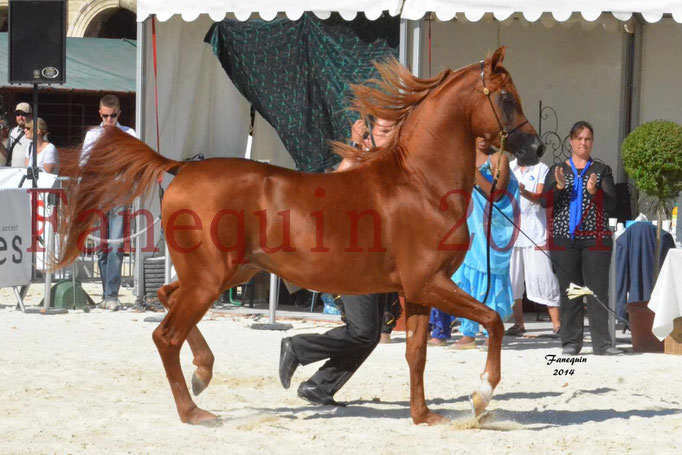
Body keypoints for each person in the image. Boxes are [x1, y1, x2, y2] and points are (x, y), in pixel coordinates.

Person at [279, 117, 398, 406]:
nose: (391, 135)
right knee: (362, 331)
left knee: (369, 335)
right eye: (384, 130)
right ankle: (298, 346)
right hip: (353, 258)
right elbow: (332, 185)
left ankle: (319, 386)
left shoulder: (392, 161)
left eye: (394, 129)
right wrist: (355, 147)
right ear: (368, 134)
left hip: (378, 260)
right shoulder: (359, 159)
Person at [428, 136, 519, 350]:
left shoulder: (499, 158)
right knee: (465, 276)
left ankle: (491, 330)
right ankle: (468, 332)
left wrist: (473, 171)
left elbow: (496, 194)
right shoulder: (458, 157)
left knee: (490, 276)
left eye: (485, 133)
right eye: (476, 133)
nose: (482, 138)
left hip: (491, 228)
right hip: (467, 224)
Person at [542, 121, 620, 356]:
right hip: (564, 239)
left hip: (595, 238)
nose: (583, 143)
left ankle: (602, 344)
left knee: (597, 290)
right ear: (571, 141)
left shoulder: (601, 169)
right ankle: (571, 342)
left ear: (592, 142)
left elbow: (613, 205)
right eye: (579, 138)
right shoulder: (558, 169)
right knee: (571, 291)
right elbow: (544, 202)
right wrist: (557, 187)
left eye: (587, 139)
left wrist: (596, 192)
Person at [82, 95, 136, 311]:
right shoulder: (93, 135)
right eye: (105, 116)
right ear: (100, 114)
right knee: (102, 246)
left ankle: (111, 294)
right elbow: (84, 163)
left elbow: (135, 161)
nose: (109, 119)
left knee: (115, 245)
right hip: (100, 193)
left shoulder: (129, 134)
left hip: (120, 192)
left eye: (112, 116)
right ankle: (107, 294)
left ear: (119, 114)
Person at [506, 159, 560, 336]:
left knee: (543, 277)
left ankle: (557, 323)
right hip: (511, 232)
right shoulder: (508, 167)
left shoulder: (541, 168)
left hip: (535, 232)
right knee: (512, 281)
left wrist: (523, 192)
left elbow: (540, 198)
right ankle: (519, 324)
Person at [0, 102, 33, 167]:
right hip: (14, 173)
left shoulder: (36, 132)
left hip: (28, 174)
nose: (20, 117)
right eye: (18, 114)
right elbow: (8, 156)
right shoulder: (12, 131)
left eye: (23, 114)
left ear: (30, 115)